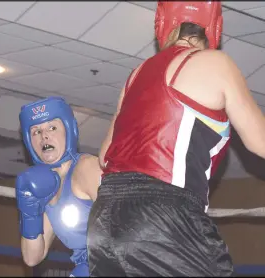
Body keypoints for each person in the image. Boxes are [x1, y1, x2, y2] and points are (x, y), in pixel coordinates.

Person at [87, 1, 265, 277]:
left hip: (104, 221)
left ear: (162, 23)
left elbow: (105, 155)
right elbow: (260, 140)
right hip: (165, 216)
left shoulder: (136, 74)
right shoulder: (215, 63)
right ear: (215, 26)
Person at [16, 96, 102, 277]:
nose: (44, 135)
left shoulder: (87, 168)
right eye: (36, 132)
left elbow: (125, 225)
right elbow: (33, 257)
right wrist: (29, 211)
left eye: (52, 128)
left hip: (114, 265)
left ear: (69, 130)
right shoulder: (46, 187)